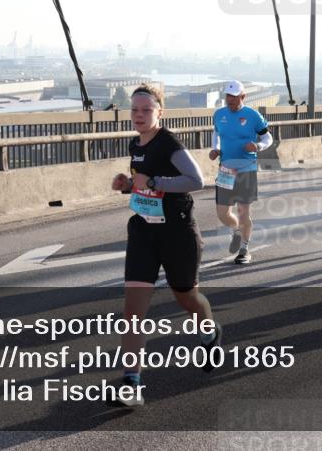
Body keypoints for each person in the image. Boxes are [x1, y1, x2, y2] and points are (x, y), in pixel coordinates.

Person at [112, 86, 219, 406]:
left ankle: (209, 330)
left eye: (146, 110)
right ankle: (131, 384)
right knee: (133, 311)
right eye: (134, 110)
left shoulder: (169, 143)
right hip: (144, 233)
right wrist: (128, 185)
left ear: (161, 112)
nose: (139, 115)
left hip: (177, 233)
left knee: (187, 298)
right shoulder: (135, 144)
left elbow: (196, 180)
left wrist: (153, 182)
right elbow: (145, 185)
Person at [210, 80, 273, 264]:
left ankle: (244, 249)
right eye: (228, 96)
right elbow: (216, 133)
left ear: (243, 96)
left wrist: (258, 146)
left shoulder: (253, 115)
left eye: (234, 96)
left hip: (247, 169)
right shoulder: (219, 114)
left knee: (243, 211)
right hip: (226, 169)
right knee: (222, 213)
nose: (230, 100)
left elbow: (268, 137)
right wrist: (215, 148)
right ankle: (236, 231)